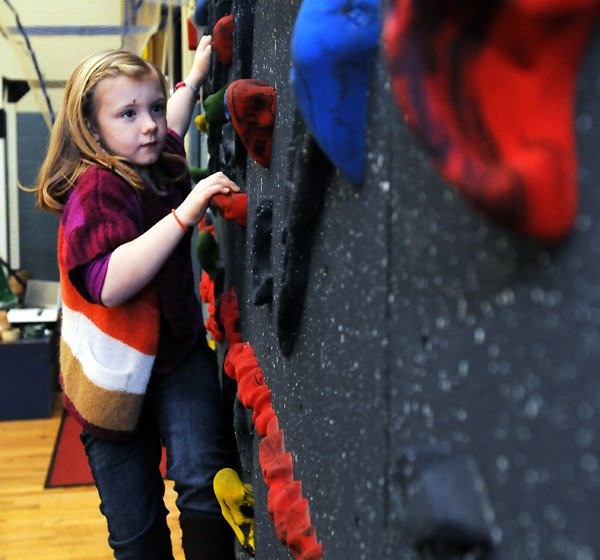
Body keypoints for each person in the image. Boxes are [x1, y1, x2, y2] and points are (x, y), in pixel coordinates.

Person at [33, 35, 239, 560]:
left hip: (175, 355)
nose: (147, 124)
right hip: (109, 380)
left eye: (149, 106)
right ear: (90, 127)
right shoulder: (96, 190)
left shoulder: (155, 151)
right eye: (126, 113)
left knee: (203, 478)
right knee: (135, 525)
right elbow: (108, 282)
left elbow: (170, 124)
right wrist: (184, 214)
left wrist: (192, 79)